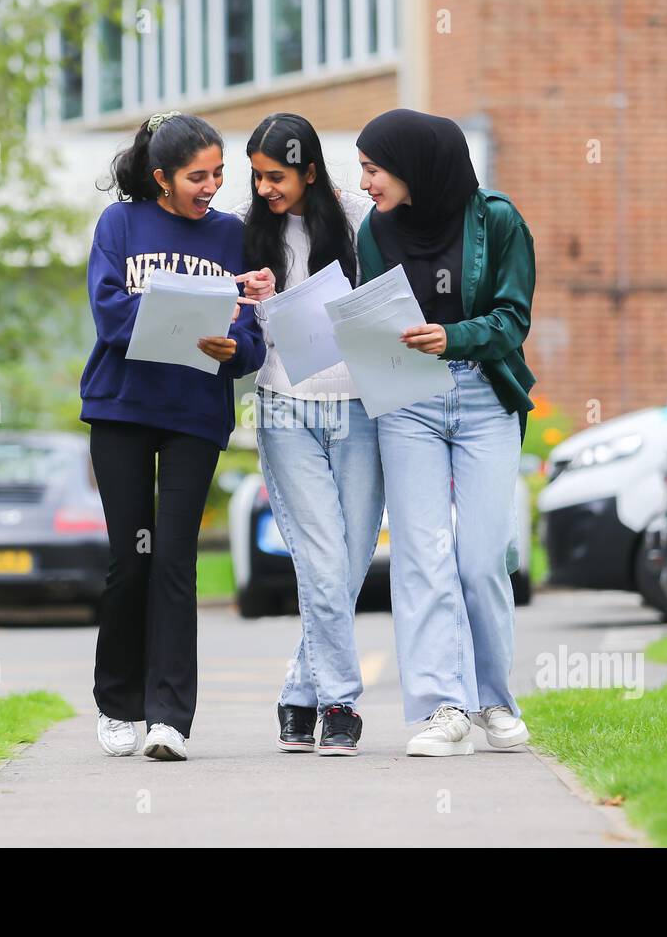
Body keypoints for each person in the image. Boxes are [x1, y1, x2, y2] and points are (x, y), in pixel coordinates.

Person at [81, 111, 266, 761]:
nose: (212, 185)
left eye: (219, 172)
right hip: (122, 410)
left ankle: (169, 718)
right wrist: (187, 312)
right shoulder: (120, 224)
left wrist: (228, 345)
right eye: (198, 176)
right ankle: (115, 702)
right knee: (131, 559)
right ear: (162, 177)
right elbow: (109, 313)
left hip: (194, 414)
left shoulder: (232, 236)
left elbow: (251, 341)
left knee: (175, 561)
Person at [355, 109, 536, 756]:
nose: (367, 182)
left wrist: (454, 336)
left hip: (485, 395)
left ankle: (495, 701)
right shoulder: (373, 231)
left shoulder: (499, 219)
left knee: (483, 557)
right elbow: (373, 312)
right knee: (420, 555)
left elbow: (513, 319)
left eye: (374, 168)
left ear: (414, 166)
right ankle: (444, 708)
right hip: (409, 399)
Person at [230, 113, 380, 756]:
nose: (266, 188)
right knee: (321, 559)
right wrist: (250, 297)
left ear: (311, 170)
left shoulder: (360, 218)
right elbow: (227, 322)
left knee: (346, 566)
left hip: (361, 410)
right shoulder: (243, 231)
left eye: (278, 176)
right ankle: (340, 704)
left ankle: (298, 692)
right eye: (258, 176)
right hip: (284, 406)